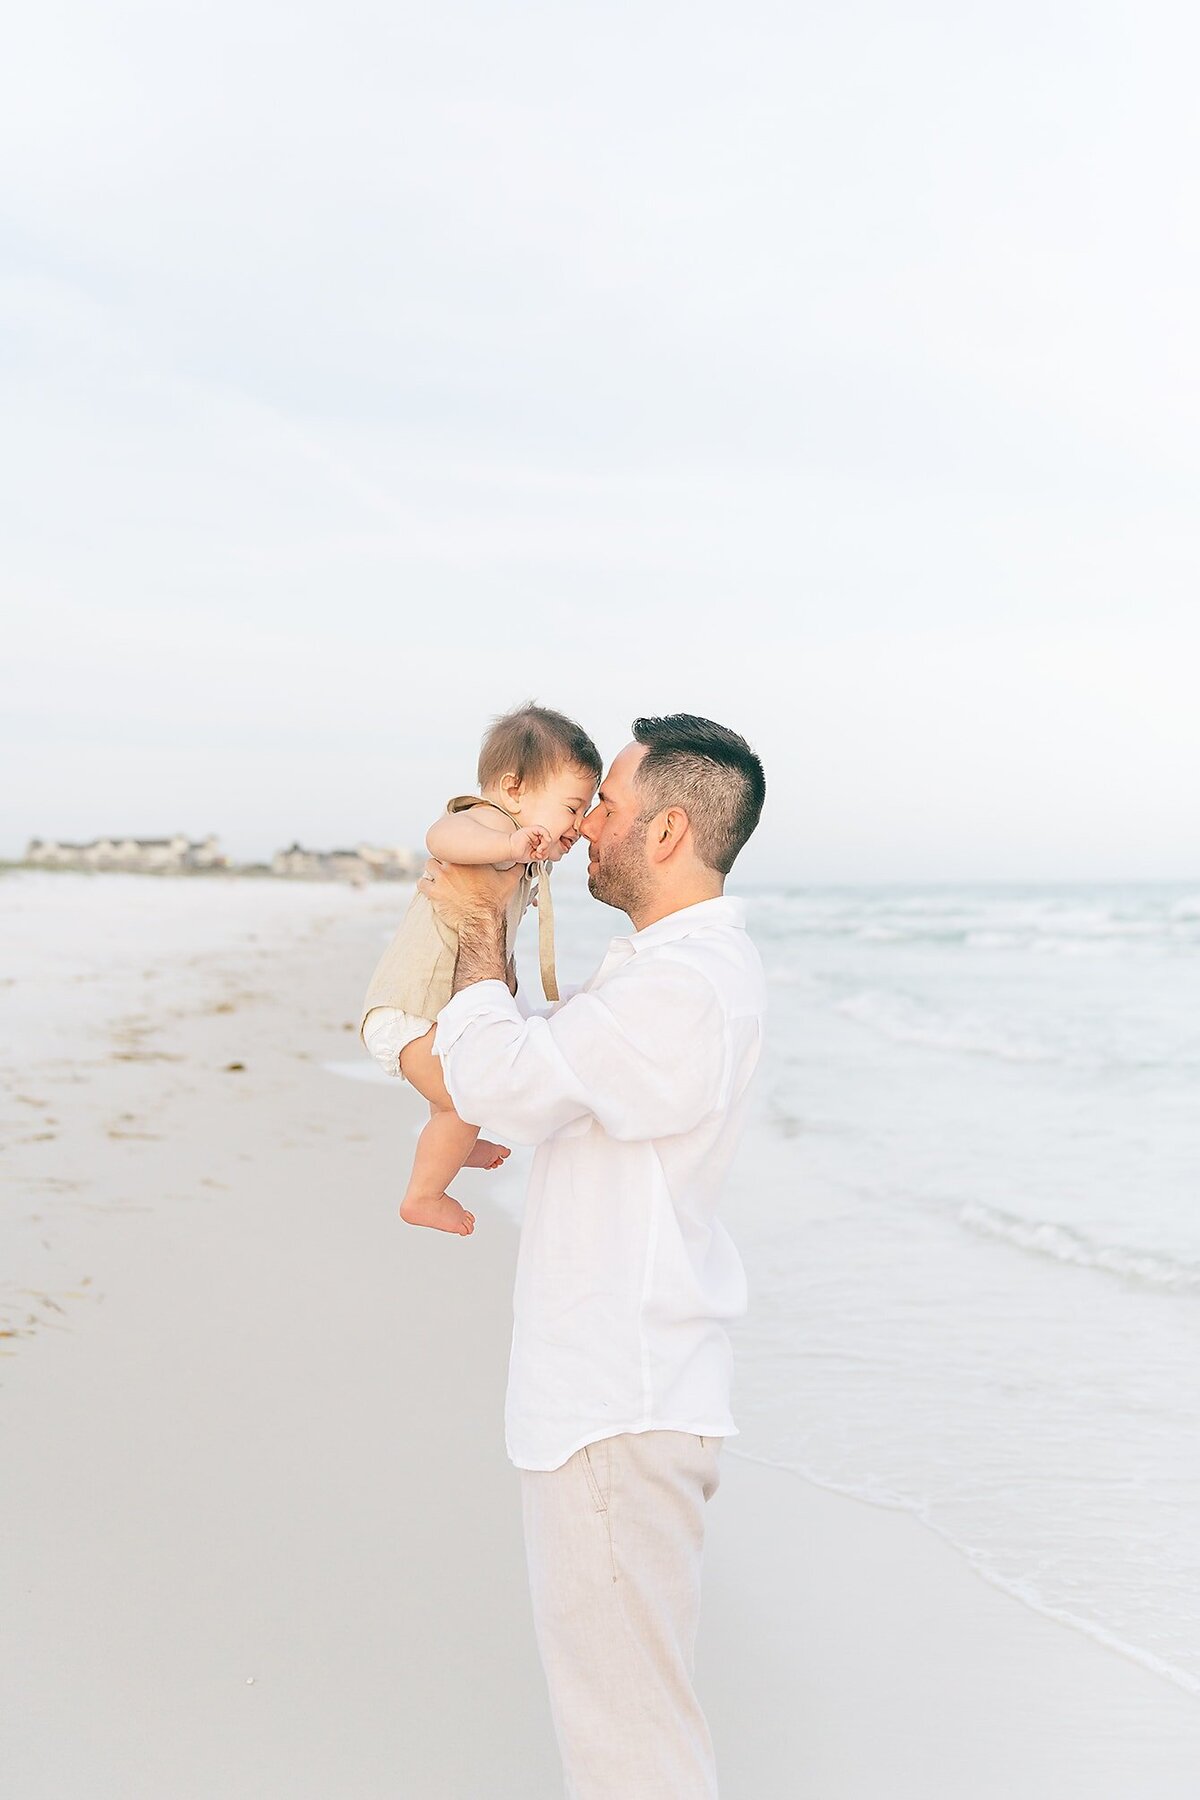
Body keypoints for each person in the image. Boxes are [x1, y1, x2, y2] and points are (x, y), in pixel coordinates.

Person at [420, 713, 767, 1800]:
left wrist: (478, 927)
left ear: (666, 831)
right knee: (623, 1723)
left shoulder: (681, 988)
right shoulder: (663, 973)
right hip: (617, 1390)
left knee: (631, 1745)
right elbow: (538, 1077)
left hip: (618, 1400)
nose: (588, 824)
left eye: (607, 803)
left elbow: (504, 1082)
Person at [358, 702, 601, 1237]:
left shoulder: (514, 841)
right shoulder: (490, 822)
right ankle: (424, 1194)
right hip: (412, 1008)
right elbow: (440, 837)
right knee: (464, 1098)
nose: (580, 827)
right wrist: (506, 845)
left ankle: (456, 1141)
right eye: (573, 807)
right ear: (513, 789)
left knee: (460, 1089)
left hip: (428, 1008)